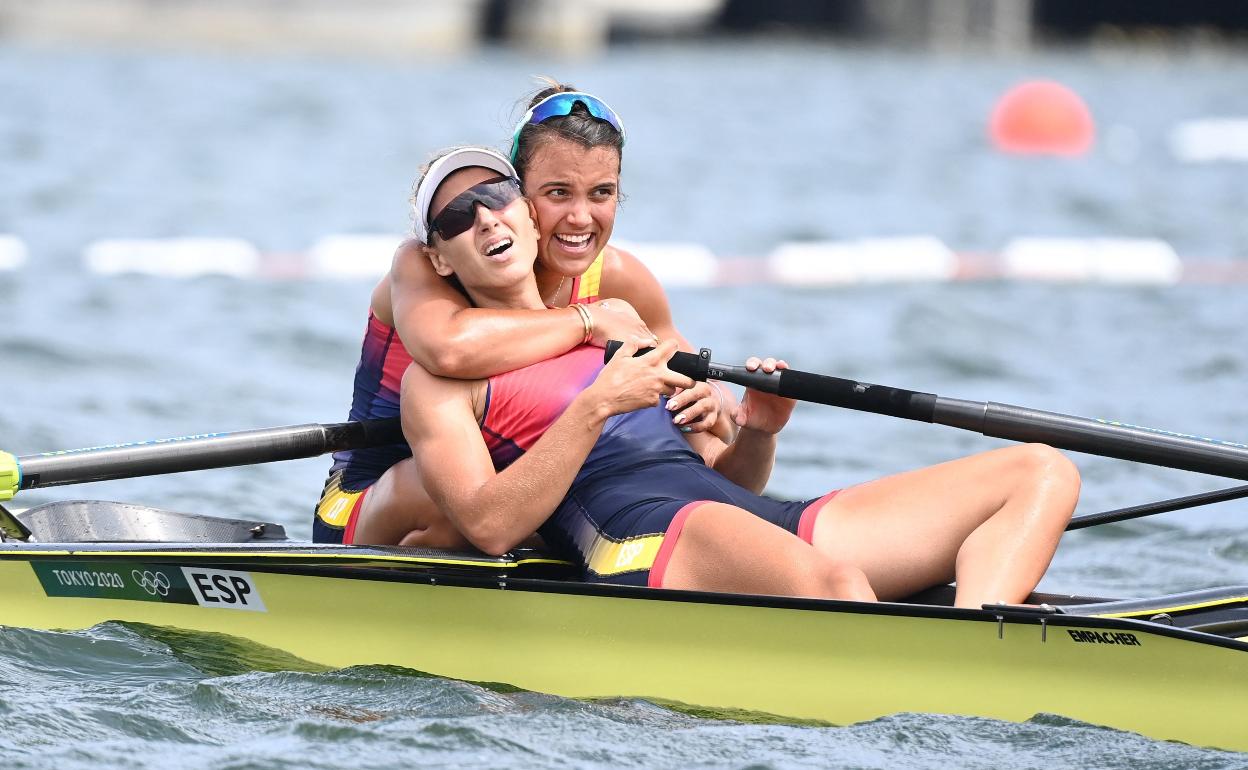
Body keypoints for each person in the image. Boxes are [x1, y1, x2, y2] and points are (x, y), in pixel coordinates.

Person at [396, 148, 1080, 608]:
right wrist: (594, 407)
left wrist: (757, 432)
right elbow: (487, 526)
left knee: (1042, 474)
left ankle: (978, 644)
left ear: (527, 212)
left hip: (736, 514)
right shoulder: (442, 380)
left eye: (498, 195)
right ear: (443, 260)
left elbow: (732, 478)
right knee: (838, 584)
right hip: (640, 533)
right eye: (459, 215)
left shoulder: (619, 316)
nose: (485, 216)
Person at [314, 83, 734, 547]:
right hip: (382, 497)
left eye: (599, 193)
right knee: (463, 496)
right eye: (558, 193)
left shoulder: (620, 278)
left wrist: (719, 405)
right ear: (521, 195)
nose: (579, 218)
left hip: (524, 491)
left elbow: (713, 418)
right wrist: (587, 320)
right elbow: (447, 349)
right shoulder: (428, 260)